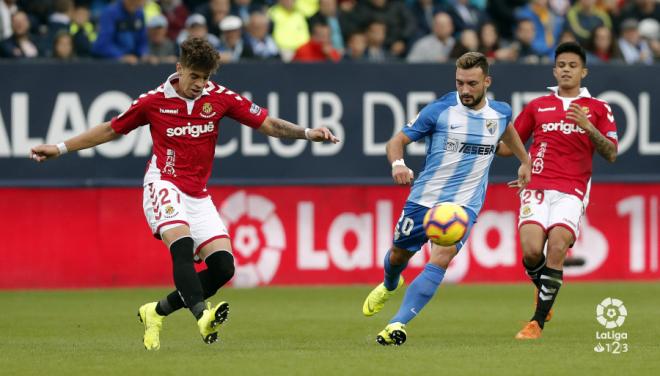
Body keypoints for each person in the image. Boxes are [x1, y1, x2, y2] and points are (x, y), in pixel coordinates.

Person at [30, 37, 339, 351]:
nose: (200, 84)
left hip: (197, 194)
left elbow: (268, 123)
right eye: (194, 76)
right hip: (162, 183)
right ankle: (202, 317)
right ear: (179, 69)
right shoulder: (153, 101)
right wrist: (60, 147)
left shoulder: (220, 98)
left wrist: (307, 133)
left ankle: (156, 311)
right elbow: (111, 129)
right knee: (182, 245)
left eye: (205, 78)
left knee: (223, 268)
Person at [362, 52, 531, 346]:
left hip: (462, 207)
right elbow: (396, 141)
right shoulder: (440, 110)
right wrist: (398, 164)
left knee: (442, 257)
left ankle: (397, 324)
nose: (465, 90)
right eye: (459, 83)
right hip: (424, 199)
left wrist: (525, 161)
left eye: (472, 84)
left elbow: (508, 133)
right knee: (398, 256)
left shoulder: (500, 112)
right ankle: (390, 284)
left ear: (486, 82)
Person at [497, 42, 618, 339]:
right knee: (531, 251)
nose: (566, 69)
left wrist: (589, 128)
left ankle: (536, 321)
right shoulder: (538, 106)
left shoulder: (599, 109)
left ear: (583, 72)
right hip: (537, 184)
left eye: (572, 65)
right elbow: (506, 147)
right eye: (561, 65)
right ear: (555, 70)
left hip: (572, 189)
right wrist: (493, 136)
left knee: (558, 248)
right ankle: (545, 295)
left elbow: (612, 152)